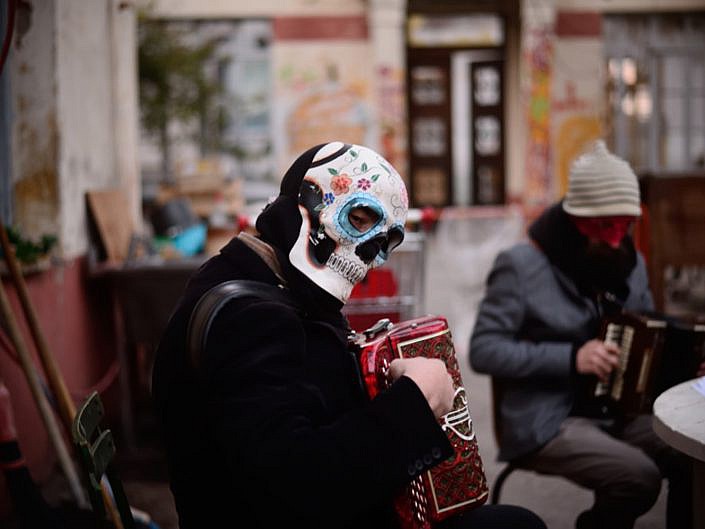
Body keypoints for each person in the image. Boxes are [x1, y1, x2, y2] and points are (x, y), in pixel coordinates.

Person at [152, 141, 546, 529]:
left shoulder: (259, 284)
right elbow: (294, 489)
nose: (371, 255)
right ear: (305, 202)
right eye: (359, 219)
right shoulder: (249, 318)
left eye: (385, 242)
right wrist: (415, 402)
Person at [470, 140, 699, 529]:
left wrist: (689, 356)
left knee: (690, 454)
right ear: (574, 218)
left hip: (619, 408)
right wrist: (572, 357)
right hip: (548, 419)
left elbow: (646, 330)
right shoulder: (522, 266)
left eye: (625, 224)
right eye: (602, 225)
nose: (615, 237)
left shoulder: (631, 261)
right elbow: (483, 350)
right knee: (638, 477)